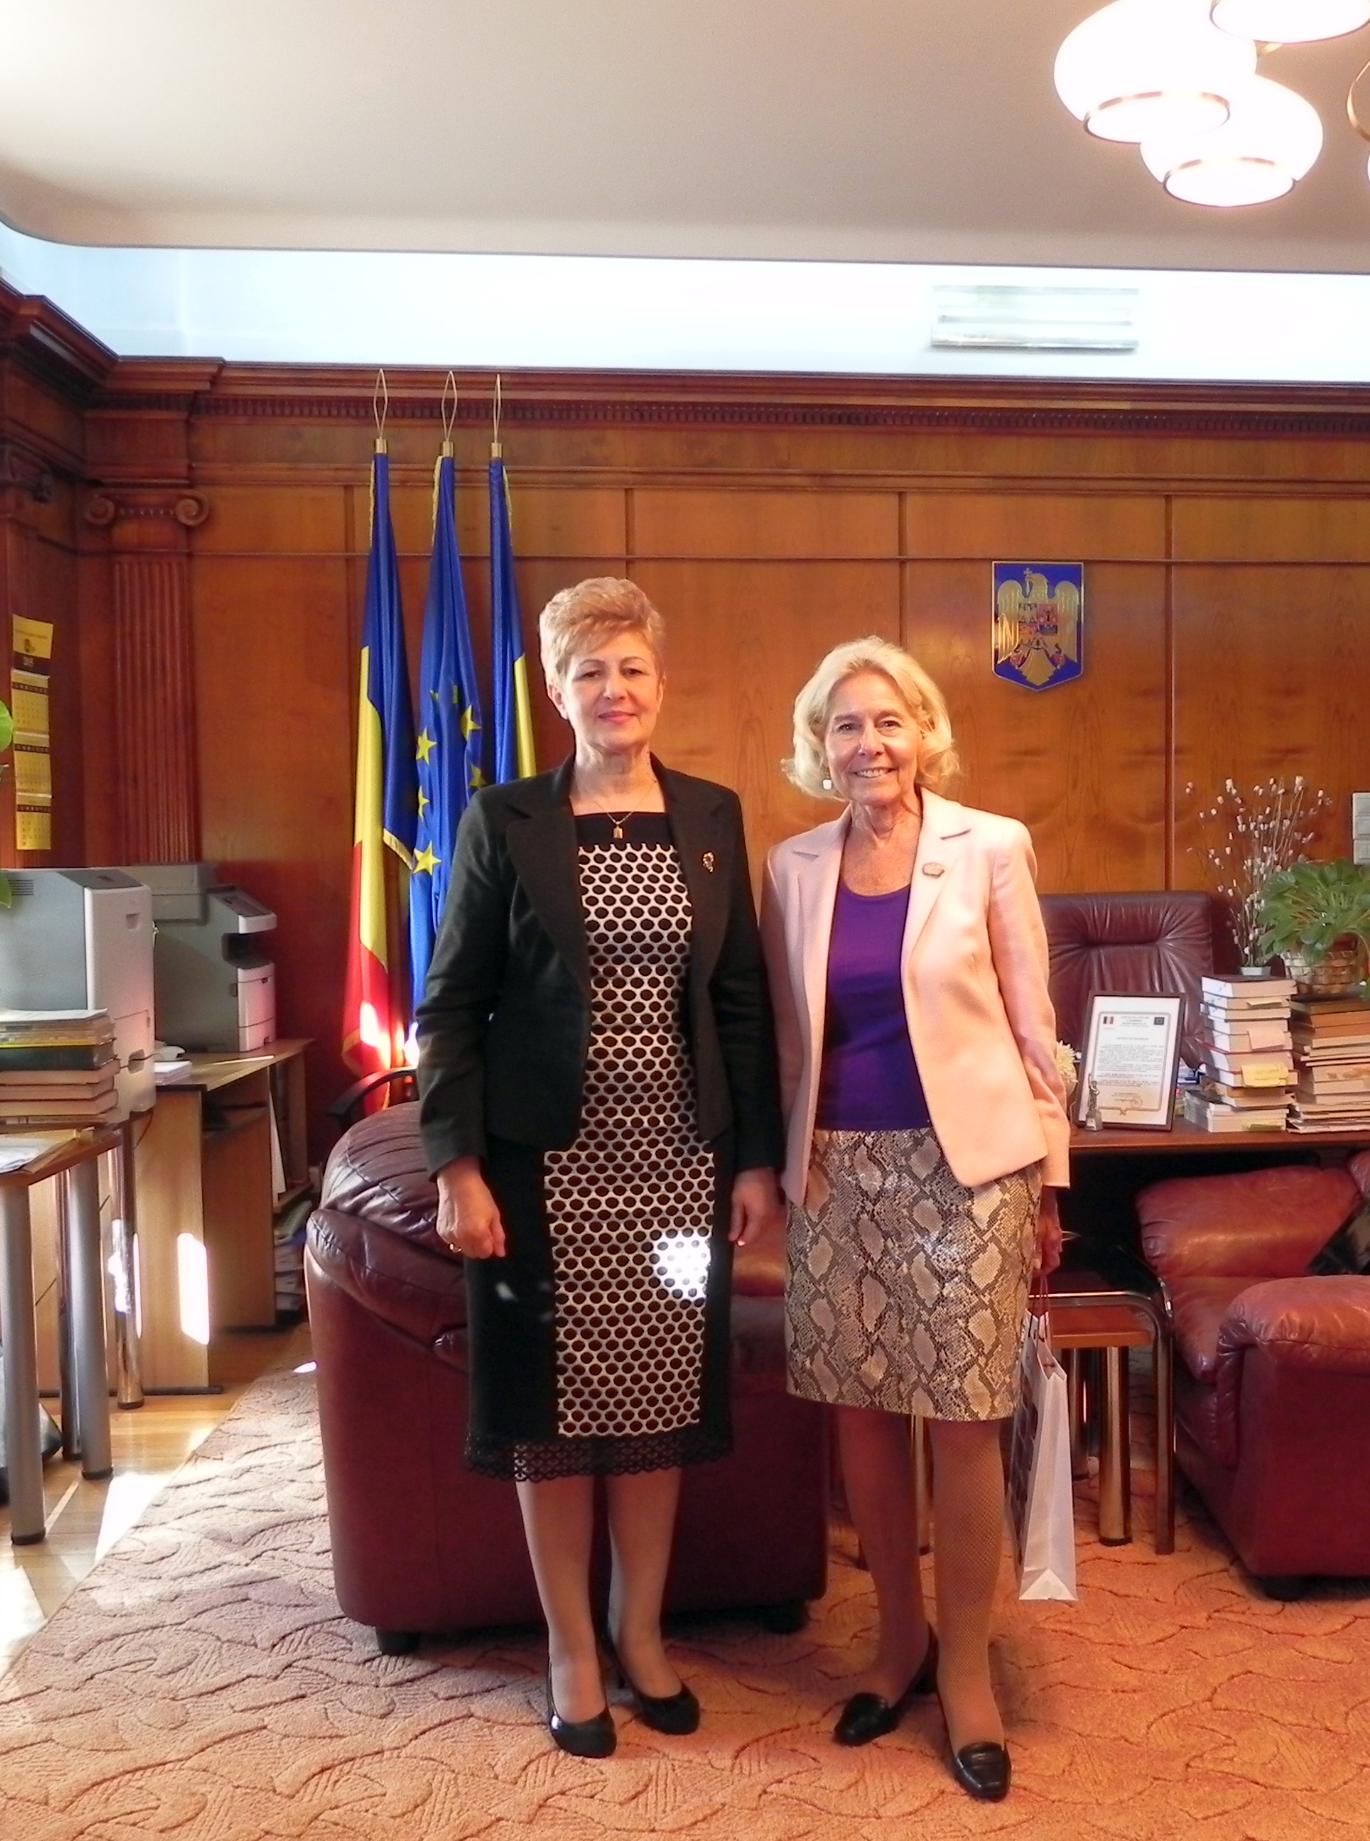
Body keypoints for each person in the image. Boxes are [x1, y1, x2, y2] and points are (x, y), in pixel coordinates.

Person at [415, 577, 784, 1759]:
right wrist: (456, 1166)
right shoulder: (505, 818)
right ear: (557, 690)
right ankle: (571, 1643)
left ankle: (640, 1627)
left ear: (660, 684)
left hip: (680, 1167)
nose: (613, 689)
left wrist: (756, 1161)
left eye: (631, 668)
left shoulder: (712, 813)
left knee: (659, 1400)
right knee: (551, 1414)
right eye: (589, 671)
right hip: (542, 1169)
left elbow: (741, 1001)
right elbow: (450, 1003)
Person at [761, 636, 1069, 1804]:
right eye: (845, 724)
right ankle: (899, 1641)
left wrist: (1052, 1185)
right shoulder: (792, 866)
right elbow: (786, 1037)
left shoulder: (990, 846)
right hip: (836, 1171)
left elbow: (1035, 1027)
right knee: (864, 1415)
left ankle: (970, 1667)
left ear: (925, 732)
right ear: (818, 744)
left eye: (888, 720)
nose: (868, 744)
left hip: (970, 1172)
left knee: (967, 1415)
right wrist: (775, 1171)